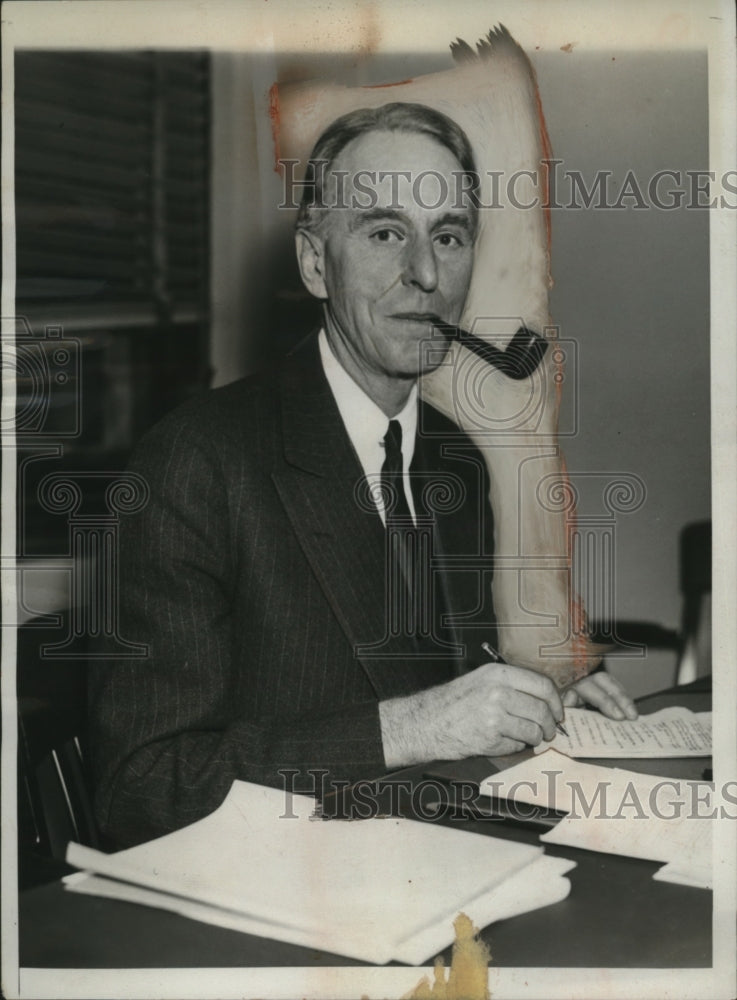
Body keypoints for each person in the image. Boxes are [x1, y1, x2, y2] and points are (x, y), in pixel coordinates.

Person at [90, 102, 636, 848]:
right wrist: (410, 728)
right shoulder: (193, 462)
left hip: (432, 866)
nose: (424, 274)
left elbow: (421, 671)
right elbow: (141, 791)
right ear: (315, 262)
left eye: (449, 236)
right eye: (384, 233)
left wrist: (533, 692)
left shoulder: (453, 458)